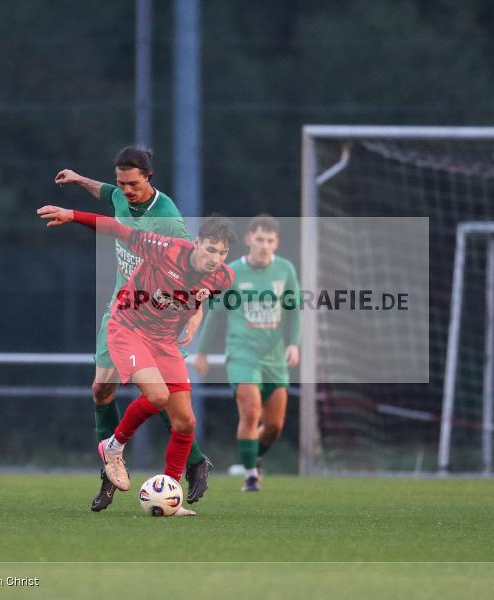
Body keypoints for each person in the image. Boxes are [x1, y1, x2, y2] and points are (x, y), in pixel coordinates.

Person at [38, 205, 236, 516]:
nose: (215, 258)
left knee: (185, 422)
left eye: (222, 252)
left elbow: (198, 295)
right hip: (129, 327)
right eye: (211, 249)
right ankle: (113, 447)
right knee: (157, 396)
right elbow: (118, 229)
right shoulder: (166, 249)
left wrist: (196, 314)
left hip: (164, 340)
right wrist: (73, 215)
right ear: (196, 243)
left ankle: (169, 495)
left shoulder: (223, 276)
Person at [53, 146, 212, 512]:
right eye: (122, 183)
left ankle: (192, 460)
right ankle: (112, 472)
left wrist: (196, 311)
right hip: (121, 312)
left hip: (156, 317)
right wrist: (78, 180)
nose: (126, 191)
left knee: (163, 400)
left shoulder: (167, 220)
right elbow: (106, 192)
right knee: (102, 389)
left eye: (133, 185)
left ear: (149, 179)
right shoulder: (120, 196)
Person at [193, 215, 300, 492]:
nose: (264, 245)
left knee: (274, 426)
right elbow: (216, 314)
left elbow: (293, 311)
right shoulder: (232, 273)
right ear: (249, 239)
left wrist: (293, 344)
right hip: (242, 354)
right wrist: (202, 352)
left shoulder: (285, 270)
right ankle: (251, 476)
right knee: (251, 411)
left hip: (274, 358)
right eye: (260, 239)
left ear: (276, 243)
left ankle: (251, 458)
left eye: (270, 240)